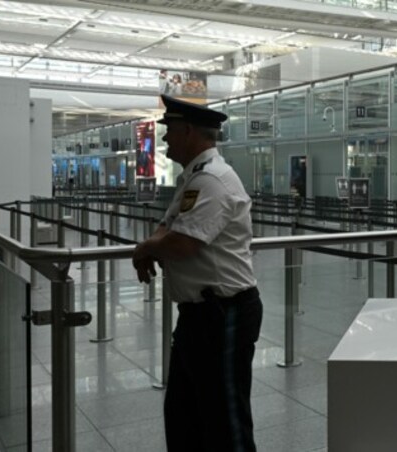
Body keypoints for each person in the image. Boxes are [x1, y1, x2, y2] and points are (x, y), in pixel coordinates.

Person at [133, 95, 261, 451]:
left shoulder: (213, 181)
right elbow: (166, 228)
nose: (164, 140)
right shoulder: (194, 178)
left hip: (224, 314)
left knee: (225, 422)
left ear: (188, 131)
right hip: (198, 316)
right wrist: (155, 243)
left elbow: (182, 243)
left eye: (169, 131)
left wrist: (146, 249)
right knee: (184, 415)